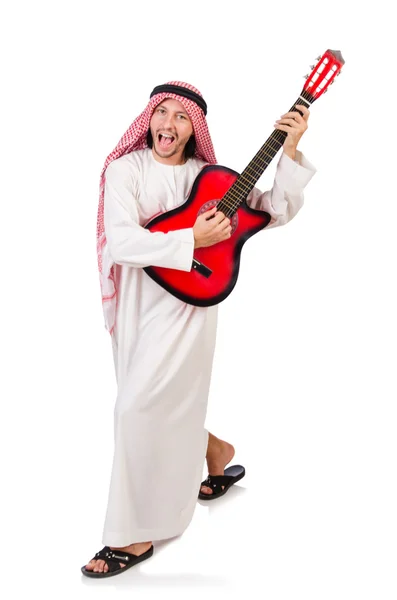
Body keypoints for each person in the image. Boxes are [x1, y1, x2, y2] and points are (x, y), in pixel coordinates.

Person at [81, 81, 316, 578]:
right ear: (148, 118)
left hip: (191, 306)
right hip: (138, 304)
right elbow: (122, 241)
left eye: (181, 116)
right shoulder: (127, 169)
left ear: (195, 128)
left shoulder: (209, 179)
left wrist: (290, 150)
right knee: (146, 404)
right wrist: (194, 235)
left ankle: (132, 535)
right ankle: (216, 451)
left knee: (134, 409)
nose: (168, 123)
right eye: (161, 112)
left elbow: (275, 209)